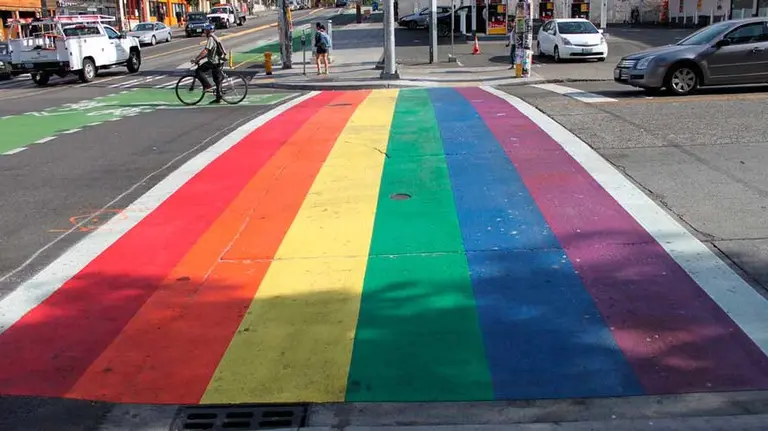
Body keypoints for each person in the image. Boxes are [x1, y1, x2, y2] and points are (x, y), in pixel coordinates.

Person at [191, 23, 227, 104]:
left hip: (214, 62)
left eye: (205, 30)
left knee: (198, 71)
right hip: (219, 61)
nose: (204, 32)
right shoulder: (215, 37)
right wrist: (200, 58)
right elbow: (209, 53)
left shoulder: (211, 39)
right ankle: (218, 98)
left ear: (208, 31)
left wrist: (197, 58)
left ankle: (207, 86)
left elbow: (206, 51)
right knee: (217, 80)